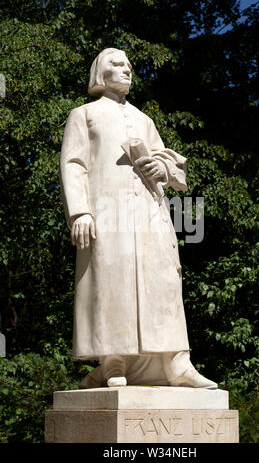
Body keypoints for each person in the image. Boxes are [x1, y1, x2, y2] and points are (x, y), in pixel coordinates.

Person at [60, 47, 217, 389]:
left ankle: (178, 363)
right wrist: (80, 211)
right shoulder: (83, 115)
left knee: (163, 279)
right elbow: (73, 164)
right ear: (102, 72)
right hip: (106, 211)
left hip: (149, 209)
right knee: (109, 279)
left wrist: (161, 166)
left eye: (129, 65)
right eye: (118, 64)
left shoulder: (145, 120)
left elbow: (169, 165)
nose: (127, 70)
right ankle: (113, 359)